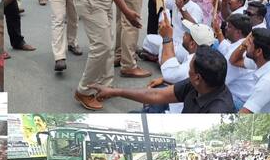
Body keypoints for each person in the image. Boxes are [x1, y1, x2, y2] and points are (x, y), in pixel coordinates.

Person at [90, 45, 235, 113]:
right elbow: (157, 95)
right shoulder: (199, 83)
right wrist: (115, 91)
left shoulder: (218, 110)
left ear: (198, 78)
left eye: (189, 69)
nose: (188, 72)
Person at [229, 28, 270, 113]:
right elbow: (234, 60)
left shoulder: (268, 82)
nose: (246, 43)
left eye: (249, 43)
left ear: (259, 51)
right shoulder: (264, 61)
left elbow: (245, 113)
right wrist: (243, 45)